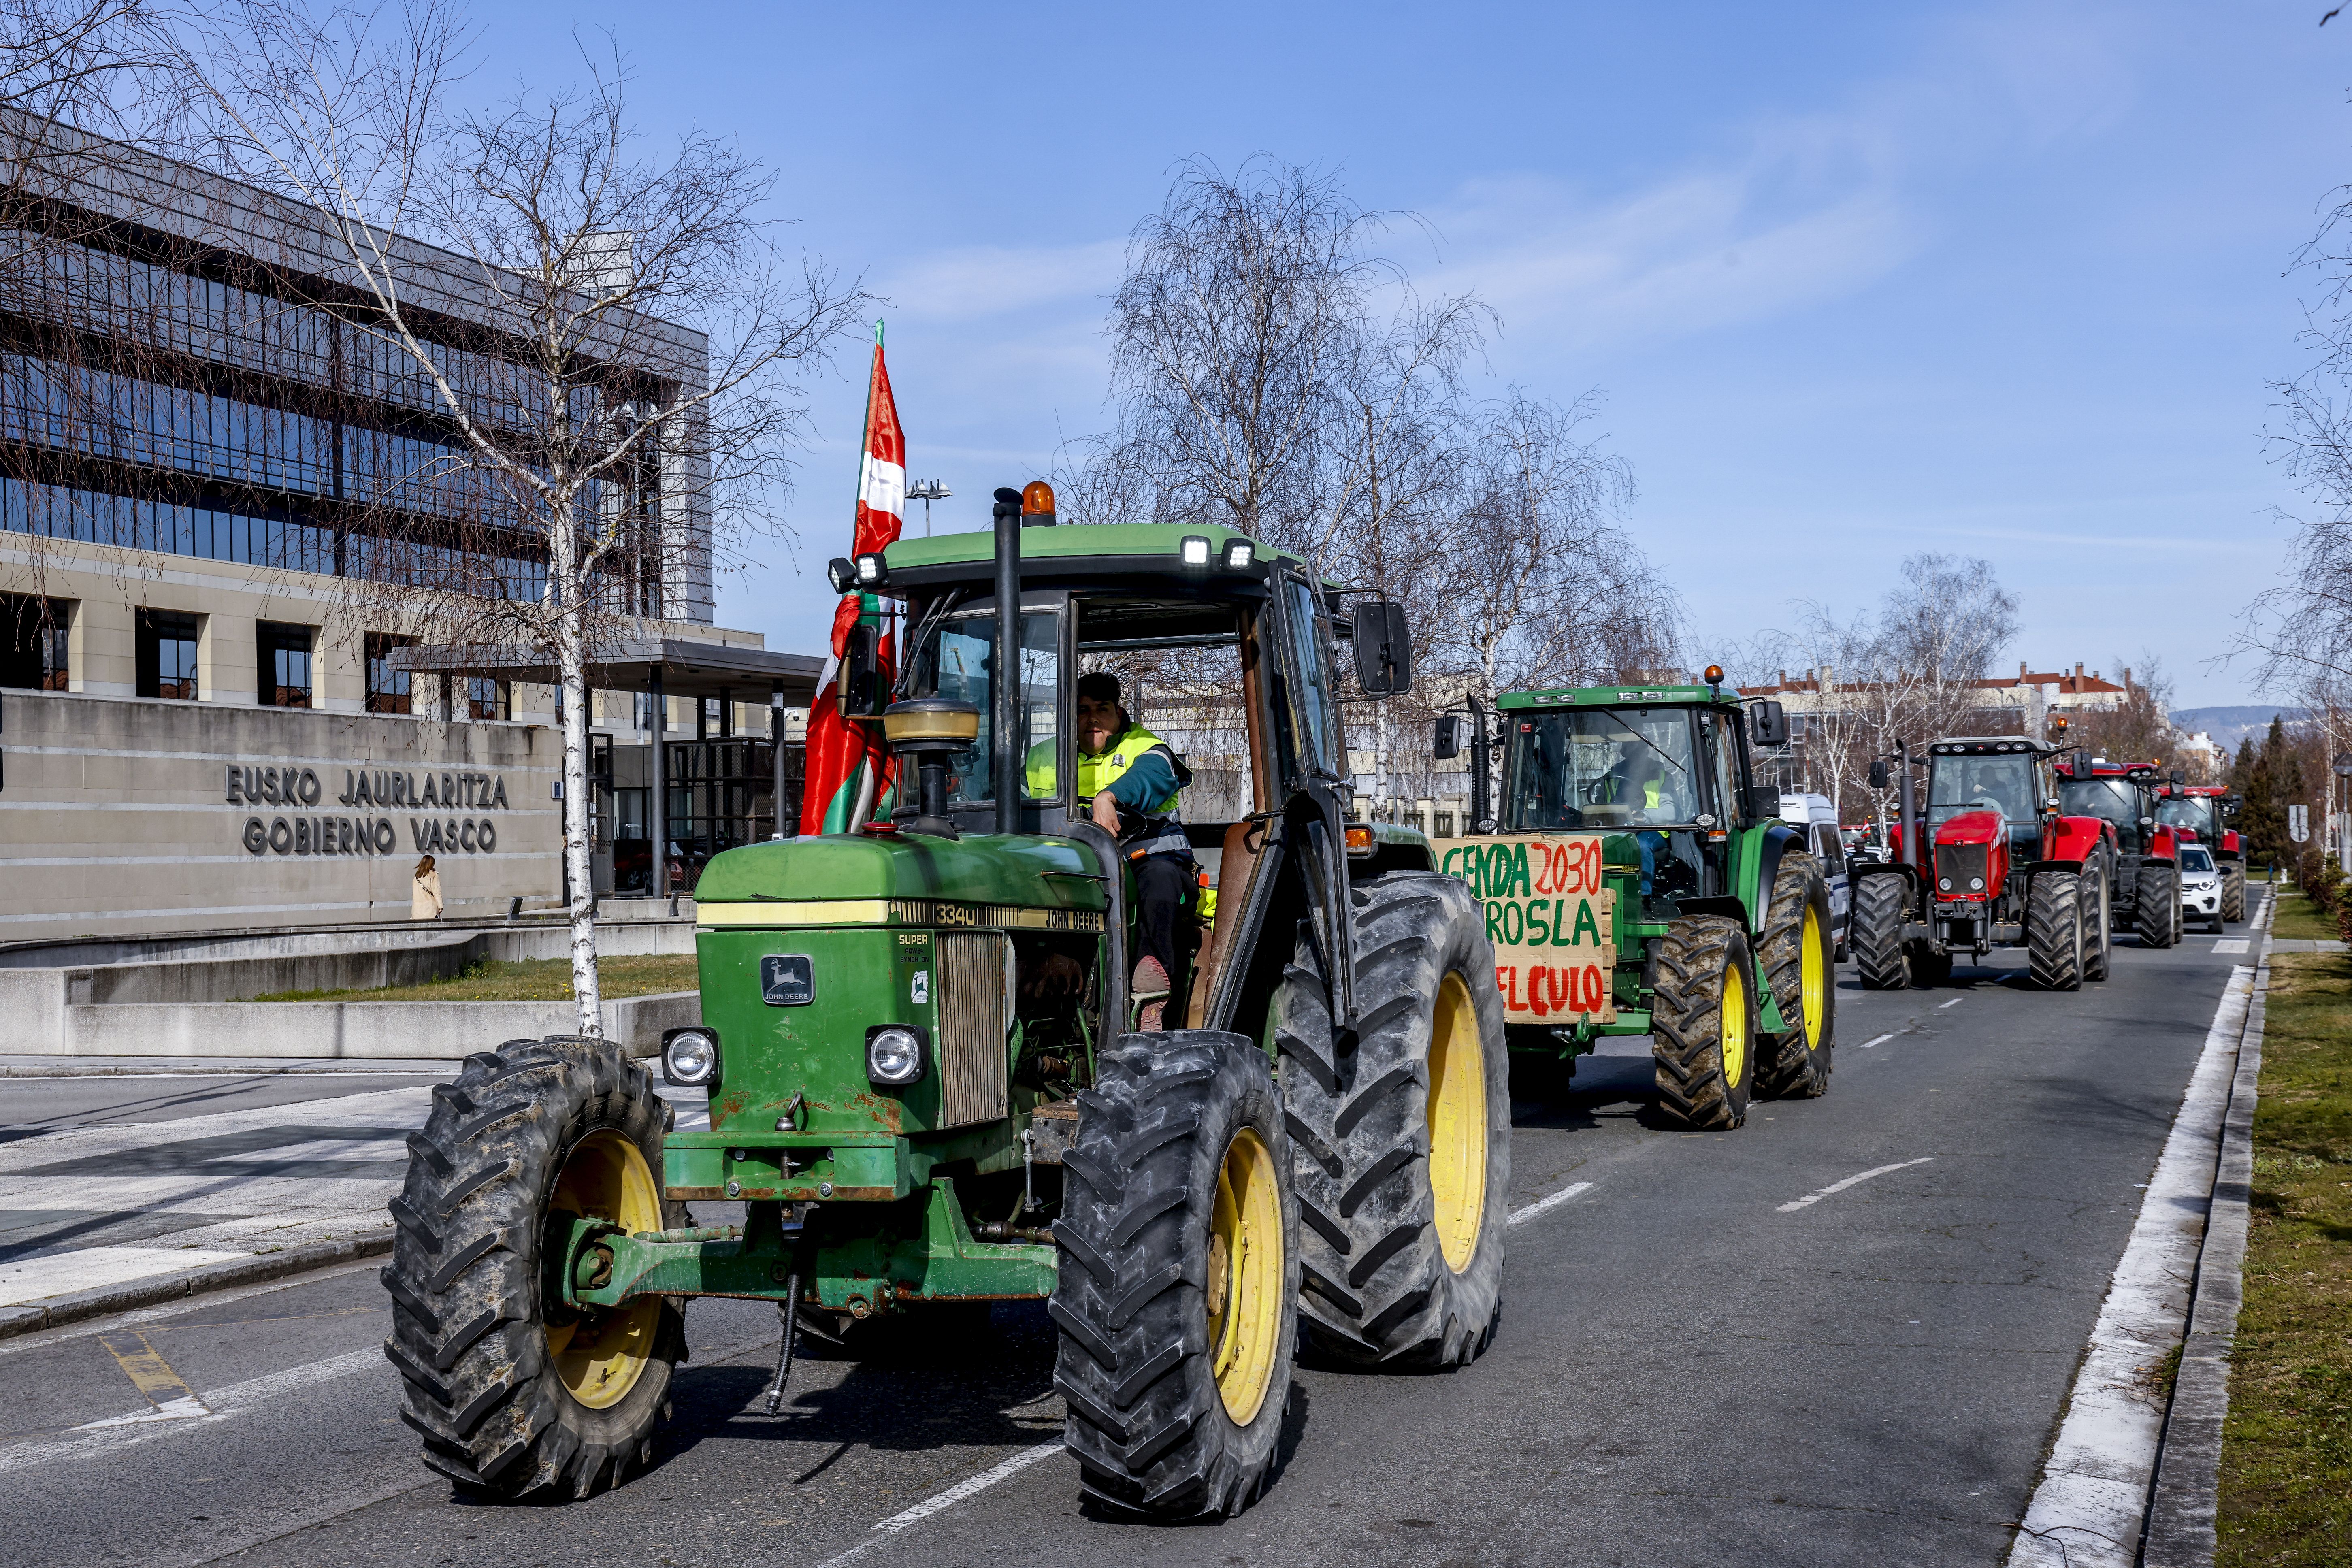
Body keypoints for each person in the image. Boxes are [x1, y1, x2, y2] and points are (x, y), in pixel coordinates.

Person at [1071, 672, 1194, 1031]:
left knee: (1161, 881)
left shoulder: (1148, 748)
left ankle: (1150, 998)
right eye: (1081, 710)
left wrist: (1108, 797)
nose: (1092, 718)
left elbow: (1152, 776)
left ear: (1119, 712)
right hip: (1074, 861)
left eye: (1102, 709)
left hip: (1146, 859)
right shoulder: (1043, 757)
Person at [411, 854, 443, 920]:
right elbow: (437, 892)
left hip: (417, 911)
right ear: (431, 864)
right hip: (430, 910)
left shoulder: (416, 878)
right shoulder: (433, 875)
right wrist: (440, 906)